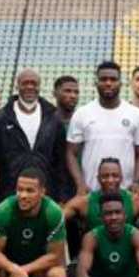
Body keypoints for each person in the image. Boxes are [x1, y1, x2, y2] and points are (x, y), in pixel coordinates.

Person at [66, 61, 139, 194]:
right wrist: (80, 183)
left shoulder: (136, 114)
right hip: (91, 192)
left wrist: (136, 182)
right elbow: (70, 152)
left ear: (120, 84)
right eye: (103, 79)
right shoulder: (82, 113)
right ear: (96, 83)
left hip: (125, 192)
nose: (108, 83)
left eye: (113, 79)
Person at [0, 68, 67, 205]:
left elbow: (60, 161)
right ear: (17, 85)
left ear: (39, 86)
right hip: (9, 193)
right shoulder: (1, 118)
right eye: (25, 83)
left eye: (34, 83)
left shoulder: (53, 117)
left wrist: (60, 196)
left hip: (45, 193)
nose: (30, 87)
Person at [62, 158, 139, 239]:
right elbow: (57, 219)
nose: (110, 180)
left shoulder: (134, 201)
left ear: (121, 178)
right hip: (93, 253)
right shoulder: (84, 202)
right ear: (98, 178)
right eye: (105, 176)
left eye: (115, 176)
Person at [51, 75, 81, 205]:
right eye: (67, 91)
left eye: (76, 92)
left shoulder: (83, 121)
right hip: (53, 187)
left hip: (79, 187)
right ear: (55, 93)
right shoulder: (45, 122)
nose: (73, 95)